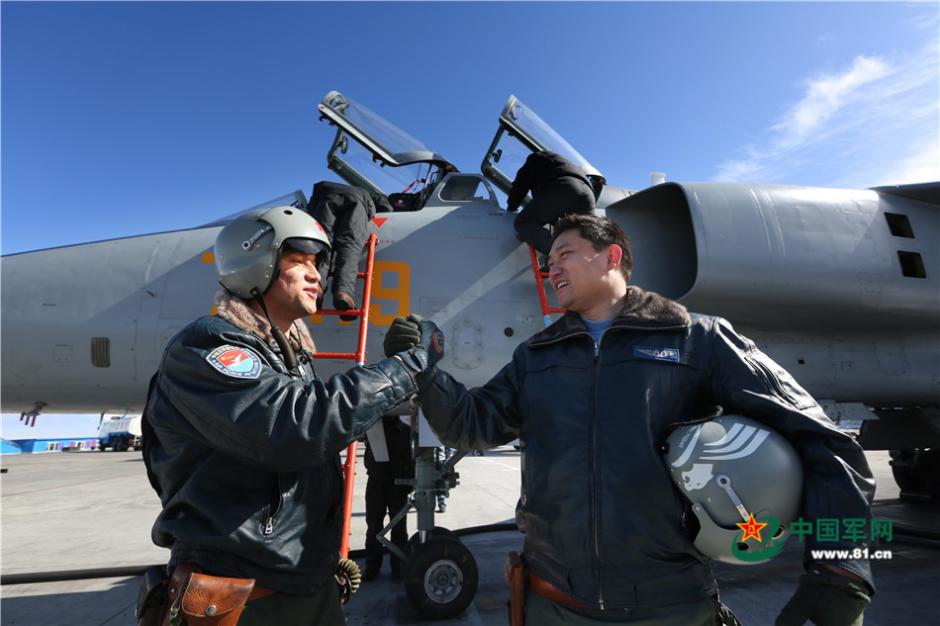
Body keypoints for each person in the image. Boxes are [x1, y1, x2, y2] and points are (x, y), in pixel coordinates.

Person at [383, 213, 874, 626]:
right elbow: (471, 426)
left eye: (565, 255)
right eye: (549, 261)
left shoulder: (697, 339)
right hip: (554, 603)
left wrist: (842, 568)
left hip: (671, 606)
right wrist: (424, 373)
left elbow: (823, 439)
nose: (552, 268)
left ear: (611, 257)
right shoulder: (535, 356)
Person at [140, 206, 438, 626]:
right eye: (300, 261)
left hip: (301, 584)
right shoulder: (208, 346)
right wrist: (406, 368)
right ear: (254, 263)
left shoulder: (287, 359)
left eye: (318, 264)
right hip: (244, 598)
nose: (317, 276)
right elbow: (295, 427)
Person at [307, 181, 392, 320]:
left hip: (327, 199)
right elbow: (386, 207)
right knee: (349, 247)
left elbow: (311, 208)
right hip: (357, 203)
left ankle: (315, 289)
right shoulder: (366, 192)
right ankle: (343, 292)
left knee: (323, 244)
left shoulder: (324, 186)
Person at [506, 150, 596, 260]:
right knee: (584, 237)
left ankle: (561, 258)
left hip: (565, 186)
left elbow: (520, 184)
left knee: (524, 222)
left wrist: (512, 206)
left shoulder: (536, 158)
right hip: (588, 194)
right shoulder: (559, 162)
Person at [363, 415, 415, 581]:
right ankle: (372, 566)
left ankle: (398, 567)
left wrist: (409, 483)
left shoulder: (405, 431)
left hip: (397, 485)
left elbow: (410, 459)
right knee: (373, 526)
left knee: (398, 528)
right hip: (376, 483)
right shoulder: (372, 428)